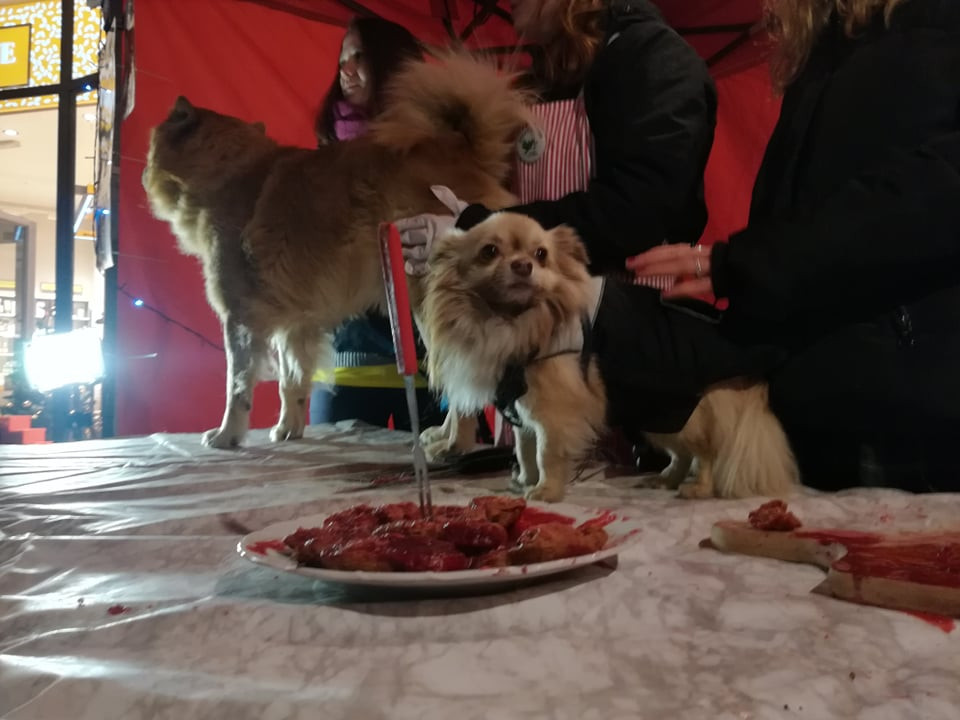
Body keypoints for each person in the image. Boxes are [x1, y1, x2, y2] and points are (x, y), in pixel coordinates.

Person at [629, 0, 960, 491]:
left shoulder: (936, 21)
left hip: (909, 414)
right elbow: (794, 221)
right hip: (809, 408)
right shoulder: (826, 42)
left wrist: (741, 264)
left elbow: (929, 196)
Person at [399, 0, 718, 470]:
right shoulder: (546, 74)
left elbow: (637, 210)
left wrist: (480, 227)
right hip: (533, 366)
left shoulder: (654, 59)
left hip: (620, 367)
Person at [309, 17, 443, 432]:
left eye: (360, 56)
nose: (346, 70)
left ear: (393, 63)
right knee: (332, 475)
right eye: (342, 60)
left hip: (429, 364)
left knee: (440, 474)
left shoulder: (438, 147)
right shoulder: (325, 156)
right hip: (344, 358)